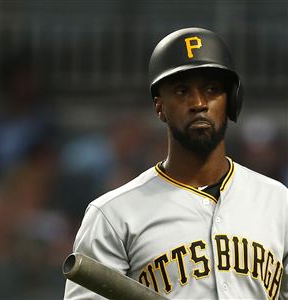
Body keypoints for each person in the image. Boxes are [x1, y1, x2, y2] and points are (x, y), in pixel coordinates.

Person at [64, 28, 287, 300]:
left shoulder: (278, 202)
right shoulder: (113, 216)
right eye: (182, 91)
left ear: (231, 101)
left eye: (212, 89)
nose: (199, 103)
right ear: (159, 107)